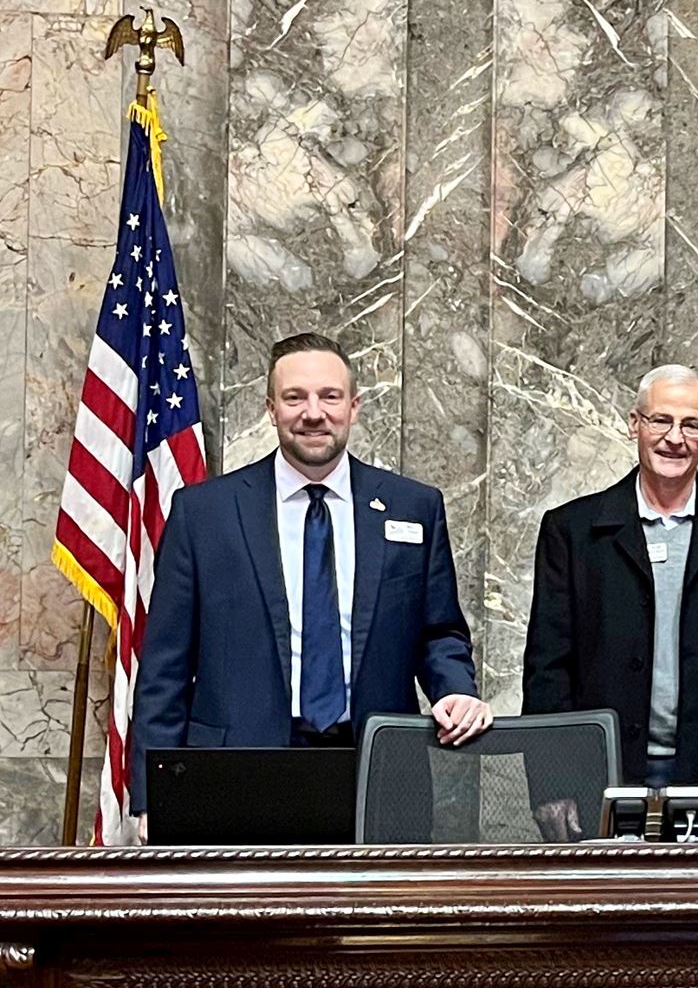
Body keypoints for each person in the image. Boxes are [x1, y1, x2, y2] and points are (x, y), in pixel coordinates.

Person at [132, 332, 490, 819]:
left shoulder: (414, 507)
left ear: (355, 407)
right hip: (235, 771)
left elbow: (439, 631)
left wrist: (455, 690)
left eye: (330, 396)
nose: (313, 413)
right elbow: (164, 668)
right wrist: (154, 799)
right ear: (270, 408)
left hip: (377, 770)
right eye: (294, 397)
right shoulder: (204, 513)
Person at [522, 365, 698, 796]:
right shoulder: (572, 531)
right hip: (600, 776)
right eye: (661, 420)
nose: (675, 437)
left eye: (691, 424)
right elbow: (547, 671)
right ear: (634, 424)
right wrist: (552, 787)